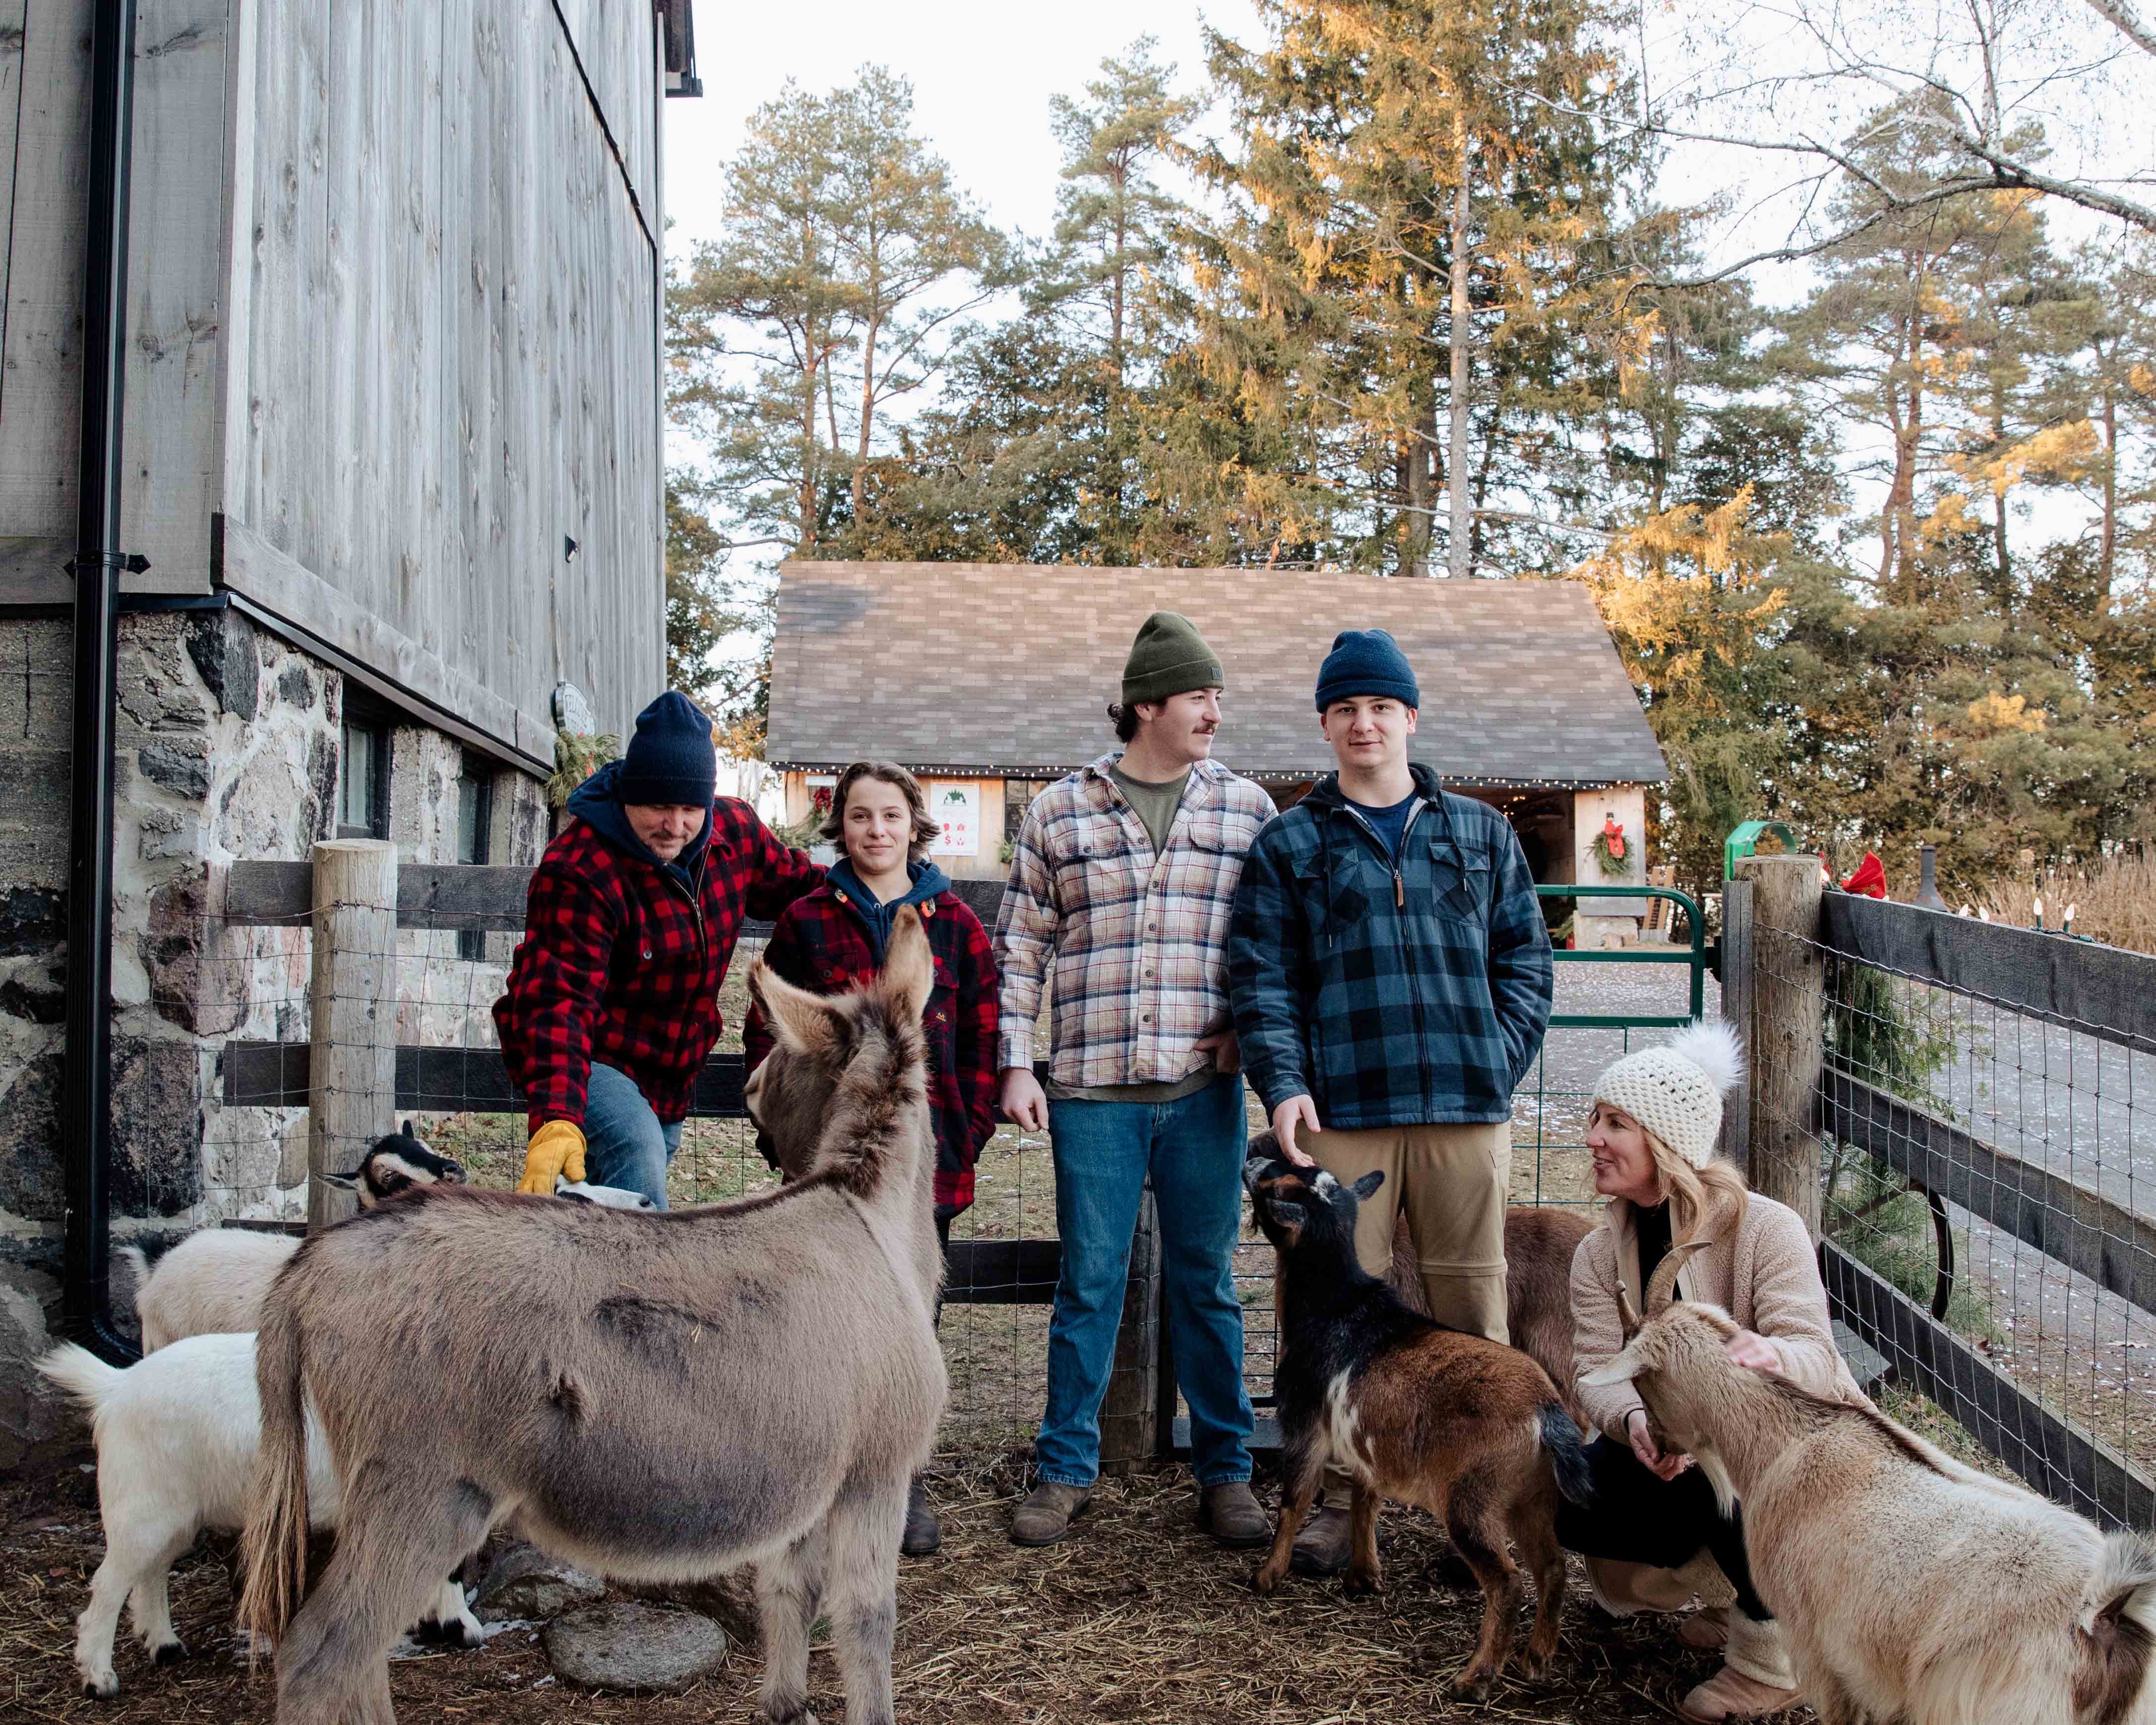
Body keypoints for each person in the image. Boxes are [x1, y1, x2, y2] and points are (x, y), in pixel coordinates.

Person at [1228, 627, 1553, 1574]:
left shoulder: (1481, 833)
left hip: (1463, 1109)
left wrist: (1497, 1055)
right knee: (1332, 1323)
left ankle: (1483, 1502)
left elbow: (1526, 958)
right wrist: (1284, 1080)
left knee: (1470, 1307)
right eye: (1344, 709)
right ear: (1324, 724)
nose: (1362, 723)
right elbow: (1262, 978)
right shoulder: (1290, 843)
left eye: (1379, 706)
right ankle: (1336, 1506)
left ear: (1409, 716)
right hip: (1346, 1115)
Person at [994, 612, 1277, 1550]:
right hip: (1088, 1092)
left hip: (1202, 1090)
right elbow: (1022, 945)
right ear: (1147, 702)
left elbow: (1266, 943)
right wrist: (1012, 1060)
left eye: (1216, 696)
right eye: (1200, 695)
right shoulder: (1060, 810)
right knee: (1089, 1285)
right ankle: (1065, 1466)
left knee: (1208, 1283)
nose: (1214, 711)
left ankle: (1226, 1468)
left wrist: (1246, 1025)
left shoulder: (1244, 809)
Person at [1564, 1020, 1865, 1722]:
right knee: (1579, 1494)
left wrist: (1767, 1356)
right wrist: (1636, 1421)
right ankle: (1737, 1596)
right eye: (1593, 1118)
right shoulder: (1595, 1254)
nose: (1591, 1138)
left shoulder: (1765, 1227)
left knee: (1730, 1454)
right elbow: (1593, 1372)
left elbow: (1816, 1357)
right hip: (1674, 1445)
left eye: (1614, 1123)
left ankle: (1775, 1660)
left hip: (1793, 1454)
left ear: (1664, 1141)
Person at [741, 760, 998, 1559]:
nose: (875, 830)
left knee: (911, 1318)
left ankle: (901, 1475)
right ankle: (818, 1475)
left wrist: (965, 1134)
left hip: (923, 1168)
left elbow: (985, 1040)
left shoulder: (954, 923)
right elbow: (769, 1038)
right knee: (820, 1320)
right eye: (859, 815)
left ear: (914, 824)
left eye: (890, 815)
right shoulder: (806, 921)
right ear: (839, 824)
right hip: (825, 1169)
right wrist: (783, 1140)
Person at [494, 690, 821, 1210]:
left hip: (672, 1066)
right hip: (595, 1056)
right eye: (658, 806)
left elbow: (804, 888)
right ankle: (645, 1292)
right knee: (635, 1151)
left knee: (618, 1202)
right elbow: (558, 997)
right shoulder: (580, 867)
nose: (675, 826)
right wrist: (558, 1112)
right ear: (628, 794)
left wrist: (882, 885)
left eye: (691, 808)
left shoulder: (735, 834)